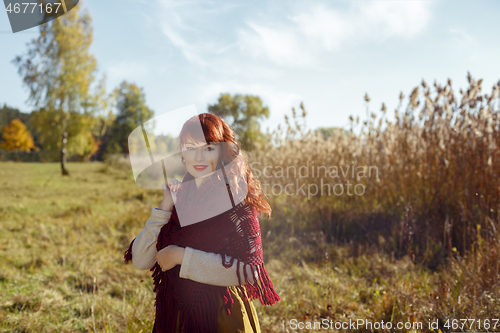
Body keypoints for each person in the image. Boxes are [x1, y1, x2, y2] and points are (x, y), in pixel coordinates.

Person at [124, 113, 280, 333]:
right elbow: (141, 259)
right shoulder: (180, 197)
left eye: (208, 148)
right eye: (190, 147)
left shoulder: (236, 201)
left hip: (221, 315)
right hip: (175, 315)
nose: (198, 157)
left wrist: (182, 257)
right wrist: (165, 205)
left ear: (222, 151)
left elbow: (249, 271)